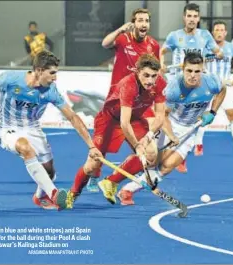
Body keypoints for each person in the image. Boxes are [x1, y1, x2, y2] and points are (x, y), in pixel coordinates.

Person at [0, 51, 102, 210]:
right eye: (52, 73)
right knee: (25, 148)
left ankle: (39, 197)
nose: (55, 77)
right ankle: (53, 193)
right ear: (39, 71)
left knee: (50, 173)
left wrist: (91, 145)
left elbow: (73, 117)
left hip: (32, 128)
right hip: (8, 128)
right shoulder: (11, 79)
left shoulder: (51, 91)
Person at [117, 51, 226, 205]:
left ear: (203, 70)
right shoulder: (174, 89)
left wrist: (213, 112)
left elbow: (223, 90)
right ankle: (116, 177)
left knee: (167, 166)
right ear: (183, 69)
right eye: (189, 71)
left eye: (197, 71)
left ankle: (127, 190)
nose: (193, 75)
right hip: (171, 125)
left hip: (190, 131)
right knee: (151, 161)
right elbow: (163, 115)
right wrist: (171, 135)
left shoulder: (212, 82)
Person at [66, 54, 166, 208]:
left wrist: (148, 137)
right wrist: (138, 145)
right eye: (146, 75)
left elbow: (160, 117)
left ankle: (111, 182)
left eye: (154, 76)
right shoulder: (128, 85)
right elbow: (124, 123)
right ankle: (73, 193)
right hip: (109, 120)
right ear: (137, 72)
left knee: (151, 154)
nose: (150, 81)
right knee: (93, 164)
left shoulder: (159, 84)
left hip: (134, 119)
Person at [84, 8, 161, 192]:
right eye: (140, 20)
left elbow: (156, 70)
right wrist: (120, 29)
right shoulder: (123, 39)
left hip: (139, 100)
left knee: (150, 148)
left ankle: (116, 178)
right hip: (117, 100)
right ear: (133, 22)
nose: (144, 24)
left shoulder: (153, 45)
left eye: (146, 21)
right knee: (102, 143)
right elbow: (104, 44)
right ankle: (94, 175)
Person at [160, 2, 222, 173]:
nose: (192, 19)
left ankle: (181, 154)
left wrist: (217, 54)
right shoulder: (174, 36)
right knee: (168, 117)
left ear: (199, 18)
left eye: (195, 16)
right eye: (189, 16)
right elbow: (163, 51)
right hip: (177, 83)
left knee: (192, 118)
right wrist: (162, 64)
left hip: (196, 82)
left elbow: (217, 51)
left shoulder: (205, 35)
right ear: (184, 17)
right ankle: (164, 148)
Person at [194, 21, 233, 157]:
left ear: (225, 33)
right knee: (204, 117)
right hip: (208, 88)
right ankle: (198, 144)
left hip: (225, 88)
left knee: (232, 114)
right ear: (213, 32)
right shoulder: (205, 48)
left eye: (222, 30)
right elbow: (198, 66)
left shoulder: (231, 48)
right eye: (217, 30)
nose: (219, 32)